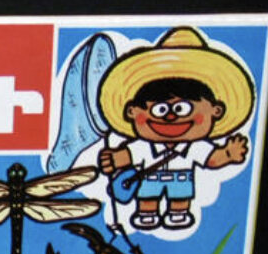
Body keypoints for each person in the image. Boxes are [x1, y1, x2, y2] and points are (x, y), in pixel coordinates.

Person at [97, 27, 255, 231]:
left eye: (182, 108)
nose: (170, 117)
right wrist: (113, 159)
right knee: (147, 197)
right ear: (132, 112)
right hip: (149, 180)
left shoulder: (196, 147)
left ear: (215, 111)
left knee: (180, 197)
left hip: (181, 180)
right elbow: (127, 155)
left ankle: (178, 213)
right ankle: (147, 213)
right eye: (159, 109)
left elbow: (212, 159)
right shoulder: (143, 147)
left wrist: (228, 154)